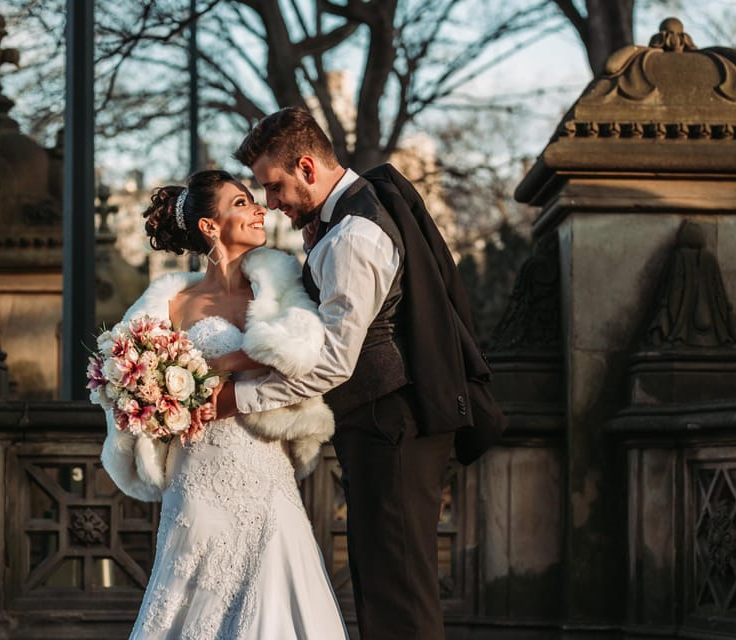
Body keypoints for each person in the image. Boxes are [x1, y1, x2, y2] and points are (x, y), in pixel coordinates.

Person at [215, 106, 502, 640]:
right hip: (380, 423)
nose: (271, 204)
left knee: (399, 593)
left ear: (306, 166)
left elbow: (332, 360)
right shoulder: (340, 220)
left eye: (274, 188)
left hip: (392, 424)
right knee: (383, 582)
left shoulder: (353, 236)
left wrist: (236, 399)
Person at [100, 169, 347, 639]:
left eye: (255, 201)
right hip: (195, 475)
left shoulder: (280, 291)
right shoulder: (170, 304)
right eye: (241, 203)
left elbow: (306, 355)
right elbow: (127, 388)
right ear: (210, 227)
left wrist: (224, 362)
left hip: (265, 467)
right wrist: (153, 396)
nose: (259, 210)